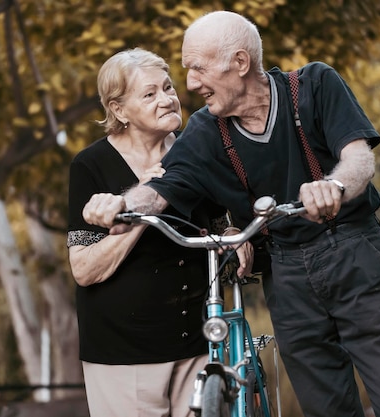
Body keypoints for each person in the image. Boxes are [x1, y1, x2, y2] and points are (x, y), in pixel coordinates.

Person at [81, 11, 380, 417]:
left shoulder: (315, 85)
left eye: (197, 68)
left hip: (355, 253)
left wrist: (333, 186)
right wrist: (122, 206)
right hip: (288, 275)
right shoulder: (205, 131)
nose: (190, 84)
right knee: (327, 408)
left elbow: (358, 159)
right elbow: (160, 191)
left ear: (240, 63)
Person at [67, 48, 253, 417]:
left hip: (198, 343)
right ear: (119, 110)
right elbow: (84, 269)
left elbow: (217, 222)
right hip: (125, 354)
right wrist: (150, 197)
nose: (168, 99)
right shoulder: (91, 166)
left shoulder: (194, 151)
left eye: (168, 88)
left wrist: (234, 231)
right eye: (150, 94)